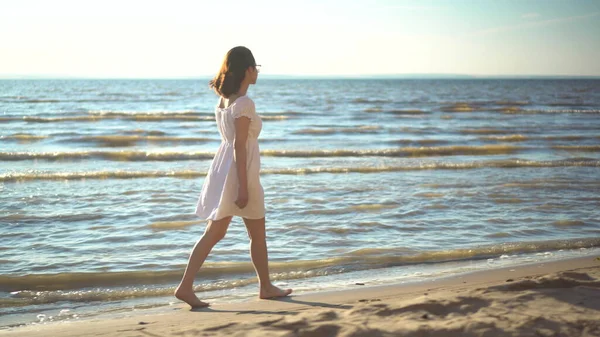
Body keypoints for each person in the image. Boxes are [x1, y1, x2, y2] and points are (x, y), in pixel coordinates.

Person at [174, 46, 292, 308]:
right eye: (256, 68)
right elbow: (240, 146)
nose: (257, 73)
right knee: (254, 233)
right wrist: (243, 187)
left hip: (224, 168)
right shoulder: (244, 103)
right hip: (240, 172)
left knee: (216, 232)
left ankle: (188, 286)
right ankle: (265, 287)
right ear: (248, 70)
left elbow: (234, 144)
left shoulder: (224, 101)